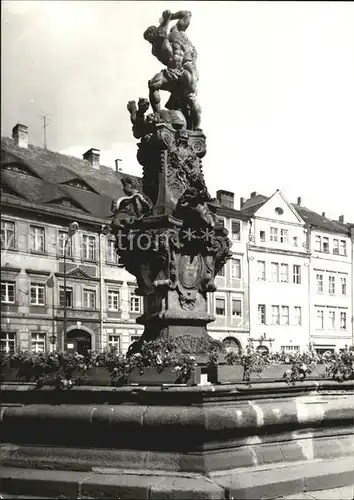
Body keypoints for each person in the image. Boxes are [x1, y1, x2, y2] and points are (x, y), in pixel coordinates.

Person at [143, 10, 201, 130]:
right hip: (173, 72)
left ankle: (195, 129)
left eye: (151, 37)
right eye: (150, 40)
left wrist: (169, 17)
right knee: (153, 84)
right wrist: (166, 20)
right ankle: (158, 116)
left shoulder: (176, 30)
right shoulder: (158, 46)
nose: (151, 41)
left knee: (191, 100)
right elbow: (161, 36)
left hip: (187, 69)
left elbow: (187, 14)